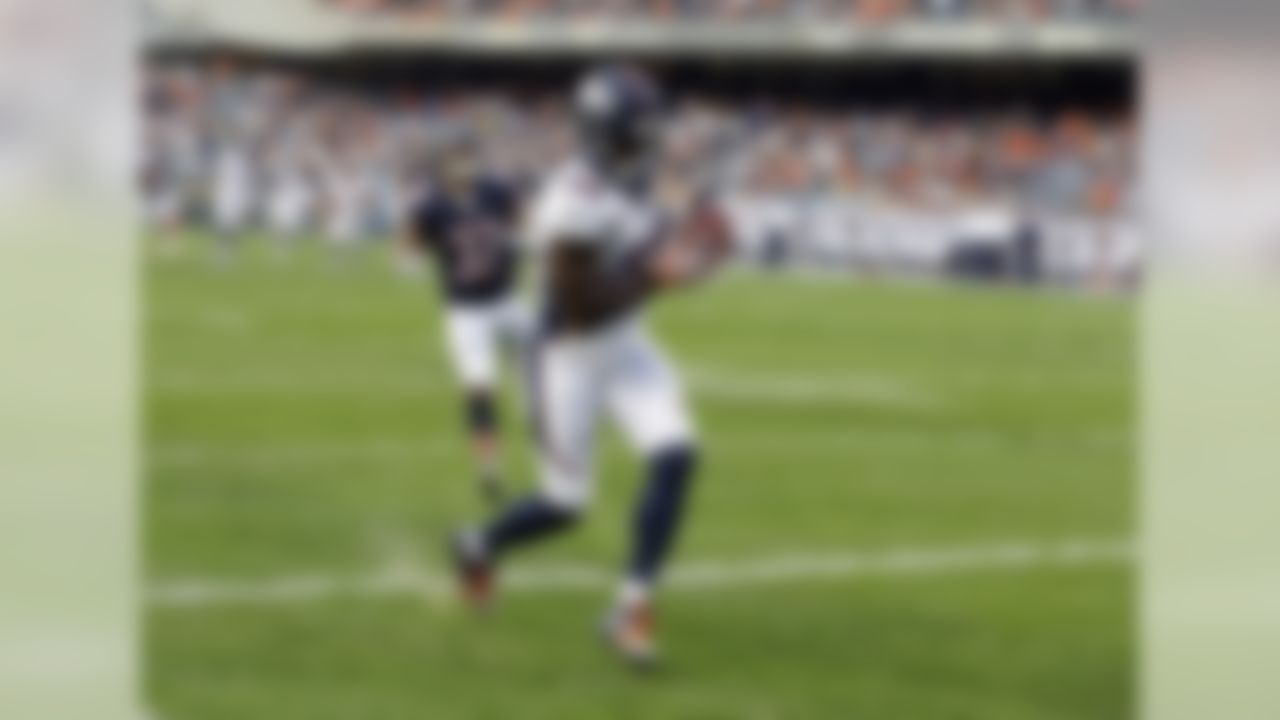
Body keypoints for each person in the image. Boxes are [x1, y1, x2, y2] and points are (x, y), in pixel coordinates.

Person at [448, 64, 734, 669]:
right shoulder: (568, 204)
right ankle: (478, 544)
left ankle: (632, 607)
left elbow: (651, 237)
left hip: (626, 344)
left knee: (677, 455)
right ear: (603, 134)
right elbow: (580, 310)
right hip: (569, 358)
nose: (651, 142)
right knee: (566, 506)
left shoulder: (637, 175)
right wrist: (660, 275)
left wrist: (691, 246)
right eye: (639, 131)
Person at [403, 137, 530, 503]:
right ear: (442, 166)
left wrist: (522, 242)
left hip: (507, 300)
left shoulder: (495, 190)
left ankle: (547, 428)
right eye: (455, 160)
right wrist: (413, 255)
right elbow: (410, 241)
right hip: (466, 311)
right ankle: (489, 465)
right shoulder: (431, 206)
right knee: (479, 388)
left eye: (467, 159)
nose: (462, 167)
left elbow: (523, 221)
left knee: (541, 364)